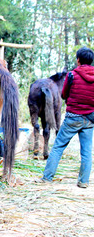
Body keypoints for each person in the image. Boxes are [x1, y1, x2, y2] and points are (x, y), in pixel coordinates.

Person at [35, 46, 94, 188]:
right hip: (90, 119)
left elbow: (63, 95)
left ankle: (47, 177)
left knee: (58, 147)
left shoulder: (72, 75)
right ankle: (83, 182)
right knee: (86, 151)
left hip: (73, 117)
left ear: (78, 60)